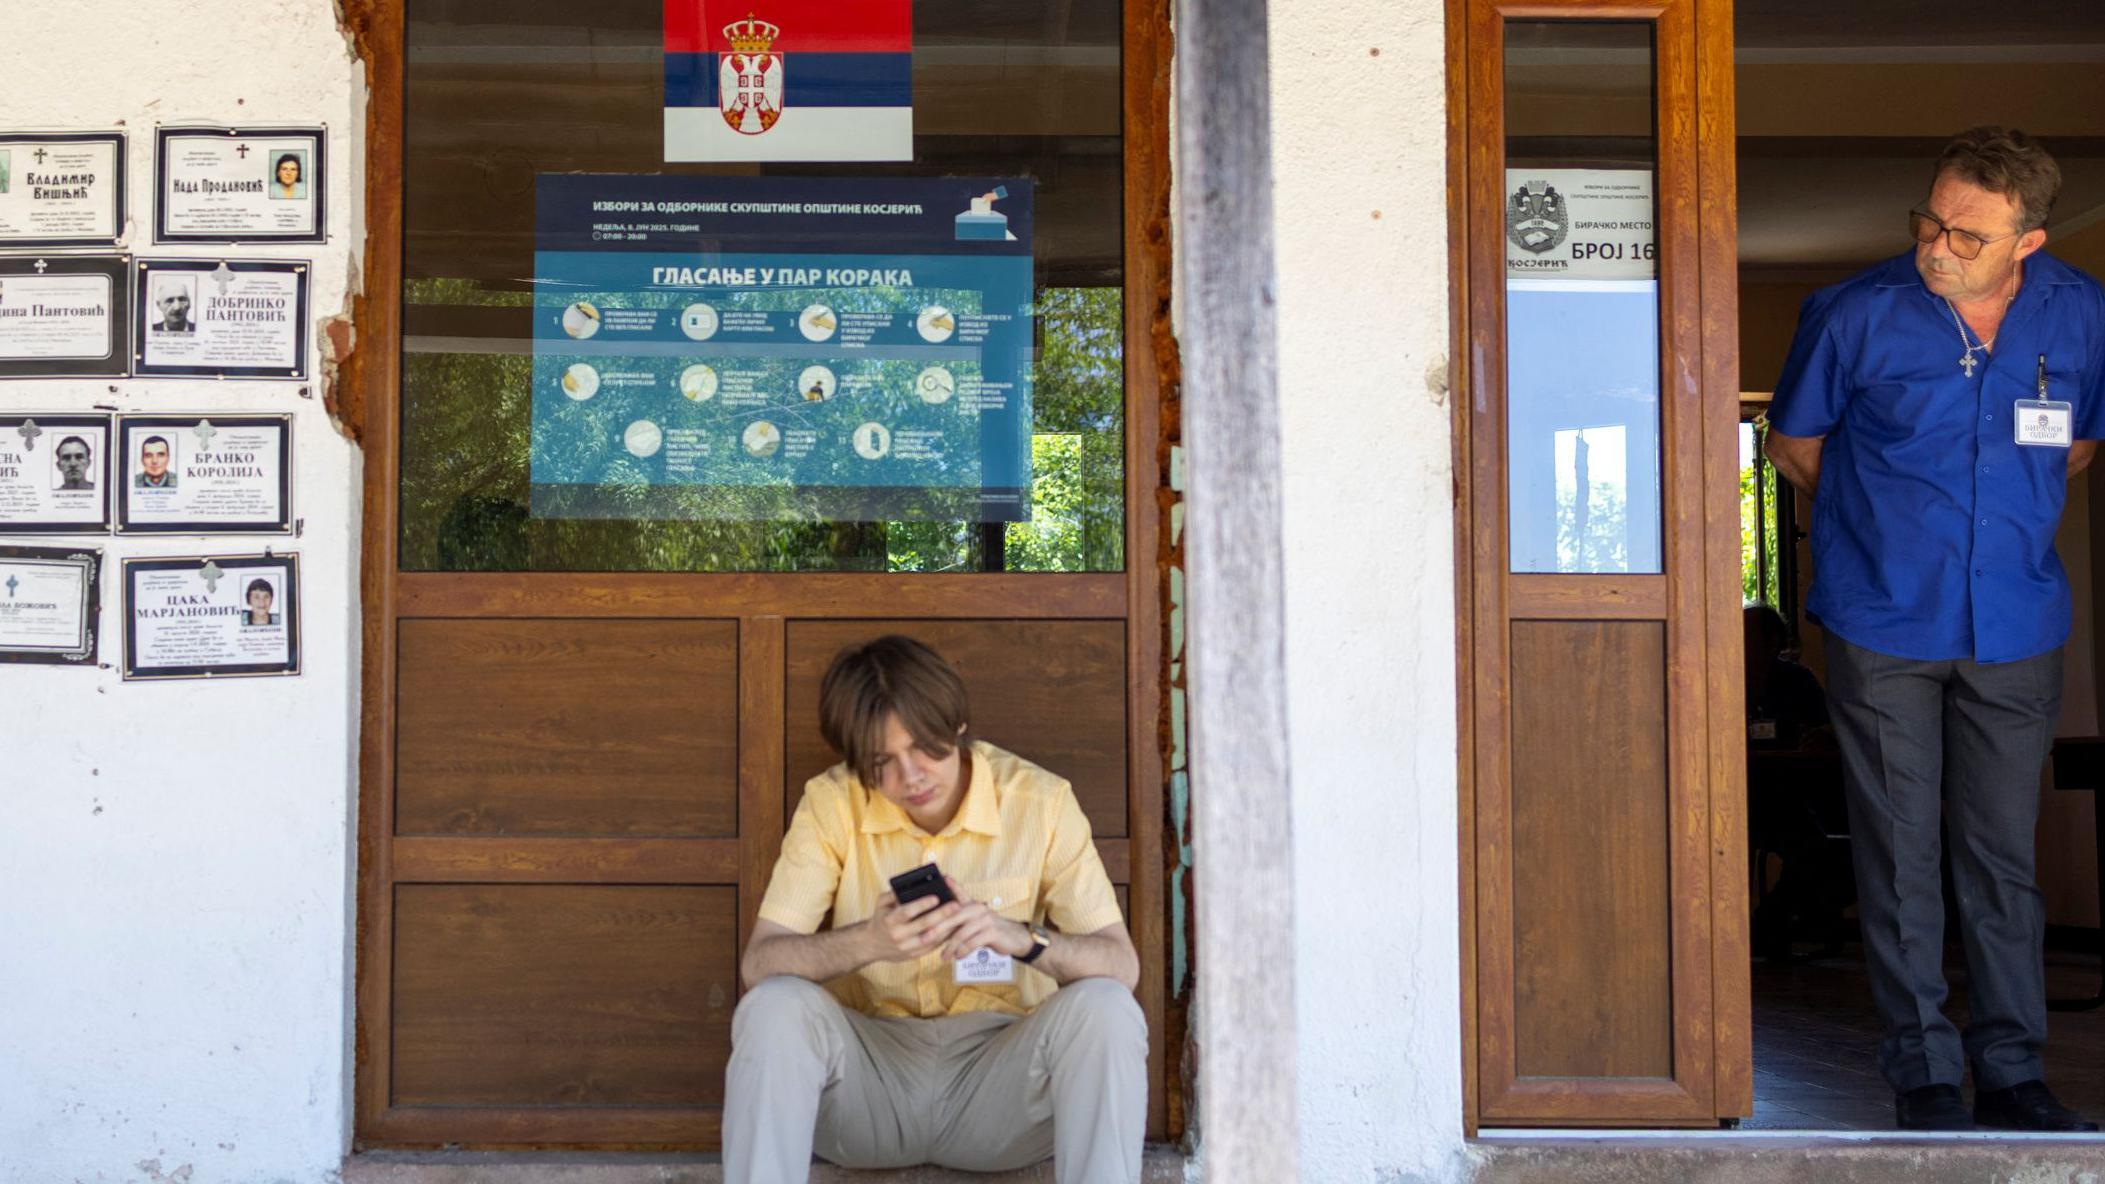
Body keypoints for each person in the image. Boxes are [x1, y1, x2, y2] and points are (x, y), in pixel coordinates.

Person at [1766, 125, 2103, 1133]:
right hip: (1882, 619)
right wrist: (1882, 523)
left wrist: (1989, 525)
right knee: (1898, 848)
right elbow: (1791, 442)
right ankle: (1919, 1068)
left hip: (2015, 618)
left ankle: (2010, 1066)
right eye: (1928, 217)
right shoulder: (1853, 312)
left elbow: (2076, 441)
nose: (1936, 243)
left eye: (1964, 232)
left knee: (1998, 854)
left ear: (2026, 240)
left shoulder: (2079, 311)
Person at [725, 635, 1144, 1184]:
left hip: (1001, 1090)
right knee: (771, 1008)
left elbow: (1123, 967)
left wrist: (1019, 938)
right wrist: (868, 942)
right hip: (868, 1089)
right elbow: (760, 964)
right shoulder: (831, 803)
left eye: (924, 747)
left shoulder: (1041, 803)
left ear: (957, 725)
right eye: (883, 763)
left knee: (1108, 1009)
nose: (911, 776)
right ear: (857, 763)